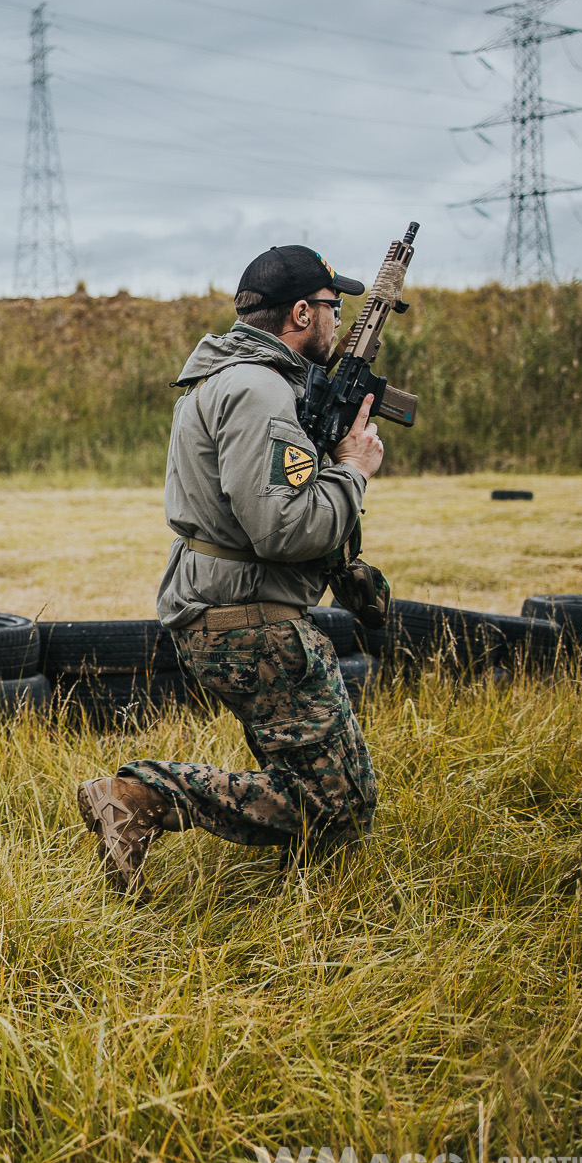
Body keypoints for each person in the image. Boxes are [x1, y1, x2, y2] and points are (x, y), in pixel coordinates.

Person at [77, 244, 385, 895]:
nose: (338, 321)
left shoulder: (231, 380)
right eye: (333, 308)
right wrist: (352, 471)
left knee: (325, 789)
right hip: (250, 620)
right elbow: (282, 527)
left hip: (231, 609)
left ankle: (302, 898)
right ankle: (139, 798)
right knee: (338, 798)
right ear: (302, 311)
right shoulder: (259, 390)